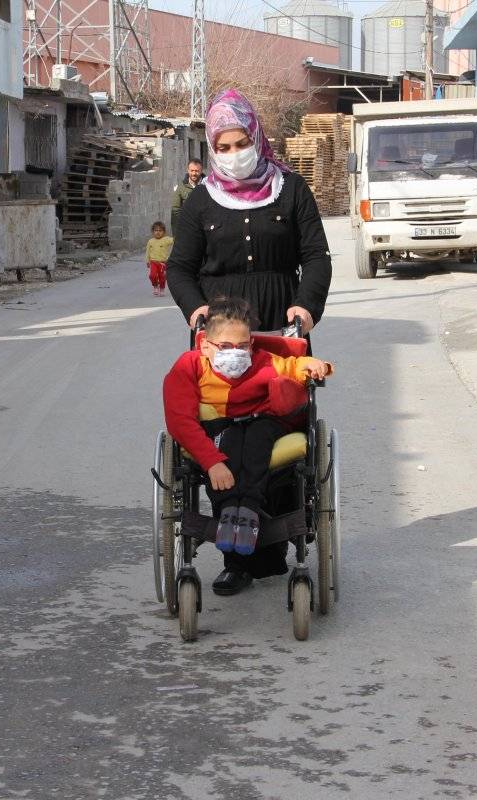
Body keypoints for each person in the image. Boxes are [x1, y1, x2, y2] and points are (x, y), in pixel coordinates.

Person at [165, 89, 332, 595]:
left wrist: (306, 306)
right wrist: (195, 309)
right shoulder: (201, 201)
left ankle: (280, 543)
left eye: (241, 143)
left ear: (257, 138)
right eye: (224, 146)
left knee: (278, 432)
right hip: (221, 336)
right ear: (212, 149)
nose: (234, 153)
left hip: (280, 330)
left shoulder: (291, 190)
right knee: (225, 434)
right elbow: (180, 267)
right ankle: (235, 558)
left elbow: (316, 256)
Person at [162, 297, 332, 591]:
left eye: (242, 346)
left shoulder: (263, 361)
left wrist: (317, 365)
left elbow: (293, 366)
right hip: (219, 426)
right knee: (228, 444)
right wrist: (212, 462)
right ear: (205, 345)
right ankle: (231, 510)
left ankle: (249, 510)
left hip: (262, 422)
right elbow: (179, 420)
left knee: (256, 438)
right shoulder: (189, 366)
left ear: (251, 345)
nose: (236, 353)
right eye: (225, 346)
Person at [170, 158, 203, 232]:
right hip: (188, 229)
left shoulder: (208, 186)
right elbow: (175, 211)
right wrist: (177, 234)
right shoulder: (181, 188)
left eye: (197, 171)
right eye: (192, 170)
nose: (194, 173)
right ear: (188, 170)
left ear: (201, 171)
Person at [146, 221, 173, 296]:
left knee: (162, 277)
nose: (158, 232)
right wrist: (147, 261)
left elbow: (174, 240)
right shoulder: (150, 241)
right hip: (153, 262)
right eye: (156, 230)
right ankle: (155, 286)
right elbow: (147, 251)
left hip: (163, 263)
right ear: (153, 231)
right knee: (152, 275)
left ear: (164, 232)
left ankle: (162, 288)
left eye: (160, 230)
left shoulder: (166, 239)